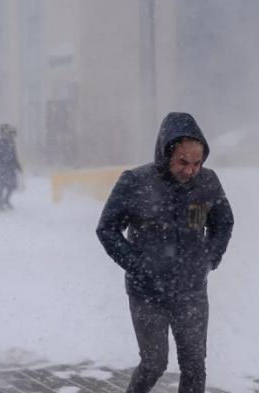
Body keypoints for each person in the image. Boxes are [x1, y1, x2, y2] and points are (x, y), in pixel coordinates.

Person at [96, 112, 234, 393]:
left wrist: (209, 259)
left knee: (195, 367)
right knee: (154, 364)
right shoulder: (135, 182)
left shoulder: (207, 183)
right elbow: (107, 229)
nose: (190, 170)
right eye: (183, 162)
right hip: (148, 292)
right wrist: (137, 265)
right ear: (166, 153)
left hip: (191, 291)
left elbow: (223, 223)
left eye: (197, 163)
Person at [0, 123, 22, 211]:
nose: (7, 133)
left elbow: (14, 155)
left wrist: (17, 165)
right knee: (0, 187)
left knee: (11, 186)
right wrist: (2, 163)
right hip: (0, 168)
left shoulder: (11, 142)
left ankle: (6, 200)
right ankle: (0, 204)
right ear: (2, 132)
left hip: (9, 168)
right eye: (5, 131)